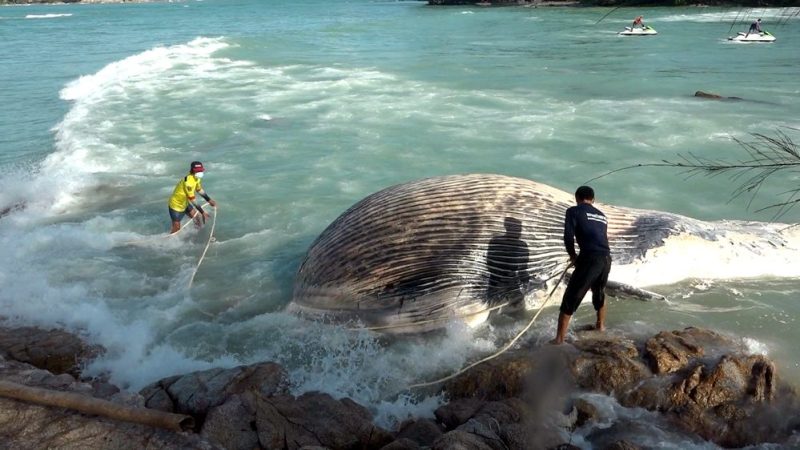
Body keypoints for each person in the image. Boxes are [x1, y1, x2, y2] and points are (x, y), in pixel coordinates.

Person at [551, 186, 612, 345]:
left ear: (577, 197)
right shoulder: (602, 216)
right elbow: (601, 238)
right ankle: (600, 326)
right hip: (606, 258)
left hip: (590, 258)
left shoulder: (574, 211)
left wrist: (573, 256)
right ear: (593, 199)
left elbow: (568, 237)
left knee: (571, 297)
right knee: (599, 292)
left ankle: (558, 340)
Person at [168, 161, 217, 234]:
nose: (200, 172)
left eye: (201, 170)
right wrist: (202, 212)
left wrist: (209, 200)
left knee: (197, 219)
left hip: (185, 203)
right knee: (177, 228)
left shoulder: (197, 178)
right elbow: (192, 199)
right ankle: (169, 241)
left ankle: (198, 235)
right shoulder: (188, 182)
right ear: (193, 170)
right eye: (198, 171)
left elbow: (199, 189)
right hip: (176, 205)